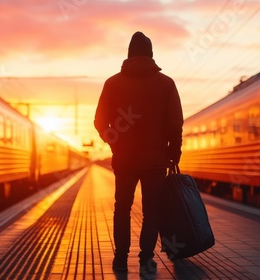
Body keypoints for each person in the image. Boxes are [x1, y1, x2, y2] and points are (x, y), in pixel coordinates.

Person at [94, 31, 184, 276]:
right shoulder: (166, 83)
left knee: (121, 207)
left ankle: (120, 259)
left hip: (124, 160)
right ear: (151, 54)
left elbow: (100, 121)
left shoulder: (113, 83)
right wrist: (173, 151)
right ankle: (146, 259)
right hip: (156, 161)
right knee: (151, 209)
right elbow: (175, 123)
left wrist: (114, 143)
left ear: (129, 55)